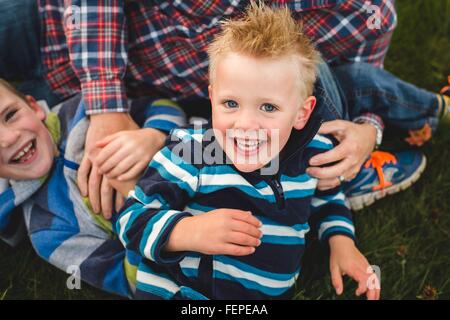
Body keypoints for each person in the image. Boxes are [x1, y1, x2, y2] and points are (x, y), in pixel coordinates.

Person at [0, 0, 402, 213]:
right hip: (47, 22)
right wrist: (105, 107)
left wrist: (368, 131)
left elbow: (363, 82)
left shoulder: (365, 14)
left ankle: (343, 178)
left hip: (144, 96)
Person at [114, 3, 380, 300]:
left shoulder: (311, 153)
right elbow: (130, 220)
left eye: (268, 107)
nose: (246, 124)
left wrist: (341, 241)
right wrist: (188, 231)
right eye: (231, 104)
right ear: (212, 98)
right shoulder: (194, 151)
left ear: (301, 114)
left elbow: (327, 197)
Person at [0, 78, 186, 297]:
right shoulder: (47, 232)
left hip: (211, 166)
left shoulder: (86, 108)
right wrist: (138, 211)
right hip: (191, 253)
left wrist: (156, 135)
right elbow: (134, 284)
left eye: (10, 115)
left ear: (33, 106)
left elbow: (162, 106)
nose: (9, 139)